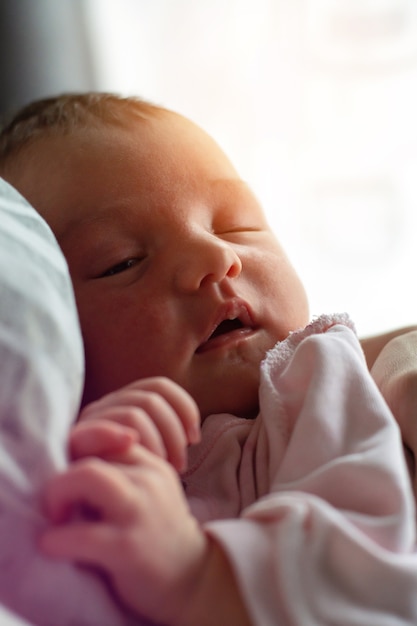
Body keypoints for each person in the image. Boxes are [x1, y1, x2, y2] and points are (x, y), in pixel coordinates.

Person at [1, 93, 417, 625]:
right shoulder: (81, 464)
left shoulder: (321, 379)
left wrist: (199, 574)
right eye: (121, 262)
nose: (217, 258)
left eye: (234, 226)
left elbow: (378, 572)